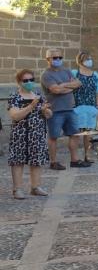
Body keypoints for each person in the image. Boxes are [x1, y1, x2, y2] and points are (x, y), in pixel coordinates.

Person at [7, 69, 52, 199]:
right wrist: (31, 106)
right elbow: (15, 116)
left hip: (37, 134)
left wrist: (45, 111)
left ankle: (35, 187)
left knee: (36, 161)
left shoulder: (38, 95)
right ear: (19, 82)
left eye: (31, 80)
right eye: (26, 80)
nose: (29, 82)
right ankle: (17, 189)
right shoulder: (14, 97)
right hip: (20, 134)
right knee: (18, 161)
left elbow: (49, 115)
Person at [40, 48, 86, 170]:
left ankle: (74, 160)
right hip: (55, 110)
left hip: (70, 108)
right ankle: (53, 162)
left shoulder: (66, 71)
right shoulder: (46, 75)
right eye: (55, 58)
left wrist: (64, 85)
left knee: (75, 134)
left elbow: (78, 83)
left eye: (60, 57)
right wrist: (69, 87)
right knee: (54, 136)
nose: (58, 60)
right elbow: (55, 90)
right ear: (48, 59)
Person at [71, 52, 98, 164]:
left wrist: (97, 106)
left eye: (90, 58)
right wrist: (72, 105)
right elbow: (70, 88)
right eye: (86, 59)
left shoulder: (95, 75)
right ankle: (74, 158)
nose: (89, 60)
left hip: (90, 107)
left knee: (88, 134)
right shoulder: (74, 73)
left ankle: (87, 156)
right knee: (76, 134)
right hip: (78, 107)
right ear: (80, 61)